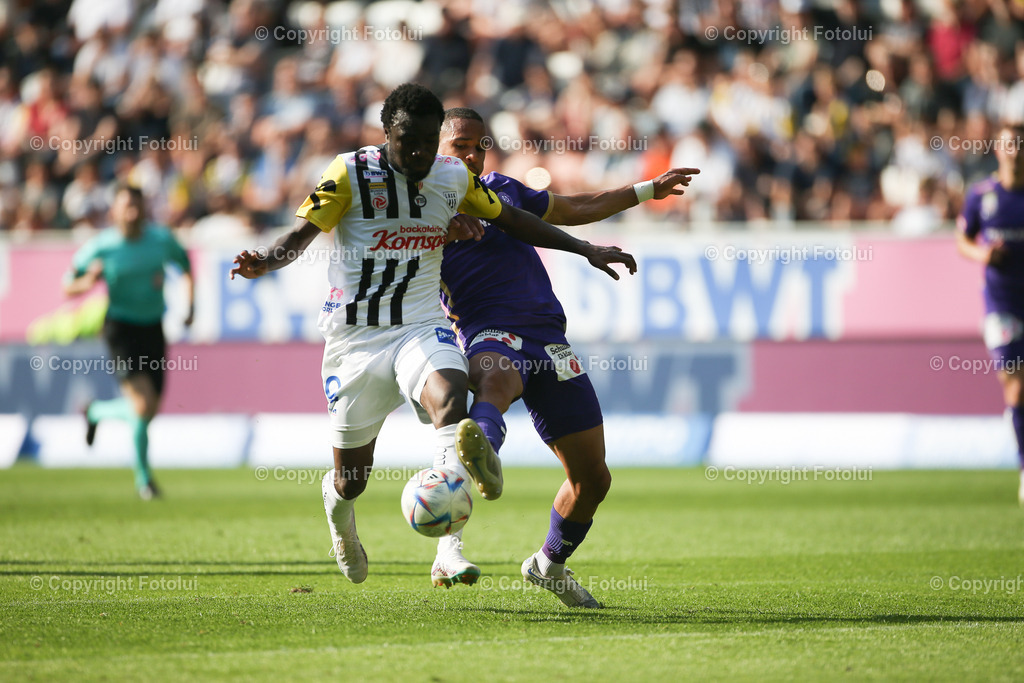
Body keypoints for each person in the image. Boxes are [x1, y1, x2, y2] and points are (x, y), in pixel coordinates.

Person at [228, 84, 637, 584]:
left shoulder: (452, 177)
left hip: (420, 327)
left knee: (451, 399)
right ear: (387, 135)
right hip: (355, 339)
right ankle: (339, 513)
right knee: (351, 479)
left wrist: (585, 249)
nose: (421, 152)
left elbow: (514, 219)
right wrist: (265, 260)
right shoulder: (348, 173)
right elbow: (300, 235)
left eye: (428, 141)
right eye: (411, 142)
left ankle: (448, 543)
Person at [436, 107, 698, 606]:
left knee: (593, 478)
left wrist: (647, 190)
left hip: (549, 340)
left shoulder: (500, 190)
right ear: (435, 152)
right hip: (487, 331)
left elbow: (574, 207)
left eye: (478, 146)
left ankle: (548, 565)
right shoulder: (419, 213)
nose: (471, 156)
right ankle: (484, 450)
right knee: (495, 381)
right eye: (459, 146)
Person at [64, 184, 195, 500]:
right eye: (127, 207)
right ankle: (144, 481)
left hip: (153, 328)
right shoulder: (102, 246)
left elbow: (185, 266)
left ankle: (95, 412)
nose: (133, 213)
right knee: (141, 405)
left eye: (137, 207)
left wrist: (191, 306)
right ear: (115, 211)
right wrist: (88, 280)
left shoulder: (160, 240)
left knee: (149, 409)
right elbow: (67, 286)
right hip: (120, 330)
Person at [956, 122, 1024, 505]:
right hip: (1002, 305)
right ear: (998, 150)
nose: (1016, 151)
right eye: (1009, 145)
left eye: (1021, 145)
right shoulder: (982, 195)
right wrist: (985, 254)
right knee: (1015, 385)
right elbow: (962, 240)